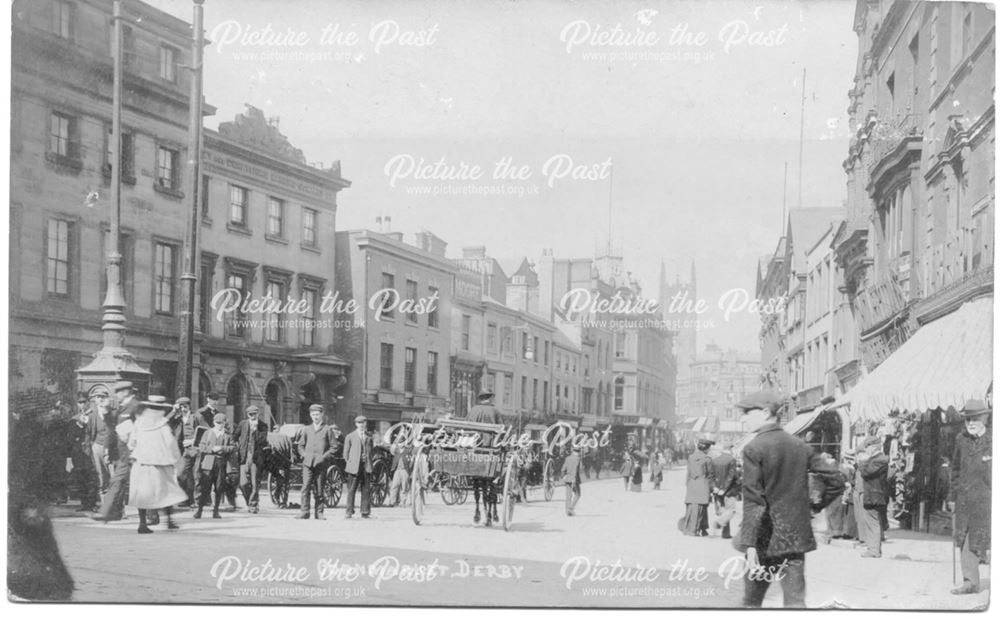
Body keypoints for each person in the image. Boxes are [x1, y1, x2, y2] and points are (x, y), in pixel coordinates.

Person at [733, 390, 844, 608]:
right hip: (794, 538)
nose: (743, 417)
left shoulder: (754, 448)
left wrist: (749, 544)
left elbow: (754, 501)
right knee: (795, 603)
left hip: (763, 540)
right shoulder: (800, 446)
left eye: (747, 412)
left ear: (766, 412)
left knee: (751, 603)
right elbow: (836, 481)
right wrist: (813, 507)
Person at [948, 399, 991, 595]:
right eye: (967, 420)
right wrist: (951, 496)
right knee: (966, 539)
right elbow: (955, 470)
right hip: (966, 499)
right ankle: (970, 581)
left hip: (988, 500)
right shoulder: (961, 440)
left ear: (985, 418)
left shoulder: (993, 439)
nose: (970, 423)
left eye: (975, 419)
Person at [128, 396, 187, 534]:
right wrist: (177, 461)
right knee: (166, 491)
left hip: (141, 463)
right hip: (160, 463)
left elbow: (131, 442)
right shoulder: (162, 425)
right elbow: (171, 444)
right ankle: (169, 521)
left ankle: (142, 523)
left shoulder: (139, 422)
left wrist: (135, 451)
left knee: (142, 494)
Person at [94, 381, 141, 522]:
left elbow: (141, 428)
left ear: (126, 392)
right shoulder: (122, 407)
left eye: (119, 392)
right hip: (123, 454)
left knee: (122, 482)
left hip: (133, 453)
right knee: (118, 482)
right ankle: (110, 512)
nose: (117, 395)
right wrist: (107, 413)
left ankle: (107, 512)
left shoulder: (136, 406)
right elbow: (112, 427)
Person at [296, 404, 338, 520]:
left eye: (317, 414)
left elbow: (334, 447)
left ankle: (319, 513)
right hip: (307, 464)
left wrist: (324, 457)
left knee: (319, 488)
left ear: (322, 415)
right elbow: (300, 446)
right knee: (305, 487)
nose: (315, 417)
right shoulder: (307, 429)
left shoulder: (327, 429)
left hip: (321, 464)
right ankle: (304, 512)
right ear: (310, 415)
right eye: (313, 414)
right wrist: (304, 455)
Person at [194, 413, 236, 519]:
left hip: (221, 463)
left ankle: (216, 511)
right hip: (208, 463)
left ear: (224, 423)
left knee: (219, 487)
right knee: (205, 487)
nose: (219, 425)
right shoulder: (208, 433)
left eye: (221, 423)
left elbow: (233, 447)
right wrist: (211, 449)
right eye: (217, 423)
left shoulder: (227, 435)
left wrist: (222, 448)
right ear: (213, 422)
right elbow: (201, 446)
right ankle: (199, 510)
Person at [857, 436, 890, 558]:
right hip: (874, 495)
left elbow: (866, 472)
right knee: (872, 522)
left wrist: (861, 461)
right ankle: (873, 549)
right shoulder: (877, 459)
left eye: (867, 447)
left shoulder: (879, 459)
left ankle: (873, 550)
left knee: (873, 522)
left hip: (875, 495)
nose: (866, 450)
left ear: (874, 446)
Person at [233, 405, 269, 514]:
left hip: (256, 457)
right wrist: (237, 445)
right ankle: (250, 501)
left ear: (258, 414)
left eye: (255, 414)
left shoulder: (263, 426)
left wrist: (255, 430)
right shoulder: (243, 424)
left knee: (255, 483)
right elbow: (234, 435)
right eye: (250, 414)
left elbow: (262, 440)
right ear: (247, 415)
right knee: (243, 483)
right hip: (244, 456)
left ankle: (253, 505)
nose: (253, 416)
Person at [173, 397, 206, 507]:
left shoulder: (197, 416)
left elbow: (206, 431)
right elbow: (166, 422)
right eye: (181, 407)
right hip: (184, 451)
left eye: (185, 406)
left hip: (196, 450)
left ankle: (197, 501)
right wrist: (173, 411)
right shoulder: (177, 418)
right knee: (180, 474)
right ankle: (185, 498)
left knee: (197, 475)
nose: (183, 409)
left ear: (189, 406)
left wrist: (193, 440)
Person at [679, 437, 715, 536]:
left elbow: (689, 472)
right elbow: (711, 475)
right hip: (703, 485)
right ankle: (695, 529)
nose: (709, 450)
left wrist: (688, 485)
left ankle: (691, 528)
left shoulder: (691, 457)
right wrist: (712, 488)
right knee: (701, 507)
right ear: (706, 448)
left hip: (692, 485)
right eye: (709, 448)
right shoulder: (707, 459)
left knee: (692, 506)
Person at [70, 393, 100, 512]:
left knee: (92, 477)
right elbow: (71, 436)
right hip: (79, 453)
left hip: (91, 451)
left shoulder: (94, 415)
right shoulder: (75, 418)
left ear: (88, 402)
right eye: (79, 402)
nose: (82, 404)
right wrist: (80, 424)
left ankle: (92, 503)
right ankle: (84, 503)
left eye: (84, 402)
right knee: (81, 477)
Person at [343, 414, 374, 519]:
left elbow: (371, 451)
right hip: (354, 467)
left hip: (366, 466)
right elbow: (345, 453)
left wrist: (369, 461)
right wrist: (351, 463)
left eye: (363, 423)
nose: (361, 425)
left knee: (366, 489)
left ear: (366, 424)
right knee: (351, 489)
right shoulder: (350, 436)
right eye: (359, 423)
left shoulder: (369, 437)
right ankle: (349, 511)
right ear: (356, 424)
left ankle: (365, 511)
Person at [712, 443, 740, 539]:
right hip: (729, 490)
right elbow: (732, 476)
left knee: (724, 510)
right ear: (730, 449)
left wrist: (716, 488)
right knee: (731, 510)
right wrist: (724, 488)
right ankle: (720, 522)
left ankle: (726, 533)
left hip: (717, 490)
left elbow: (712, 476)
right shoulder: (732, 460)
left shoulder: (715, 460)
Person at [562, 445, 583, 516]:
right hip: (574, 479)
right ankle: (571, 508)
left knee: (568, 496)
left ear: (573, 450)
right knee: (577, 494)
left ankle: (567, 510)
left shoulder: (567, 458)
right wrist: (574, 479)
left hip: (567, 479)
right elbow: (576, 470)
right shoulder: (578, 459)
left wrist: (564, 477)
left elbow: (563, 469)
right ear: (579, 451)